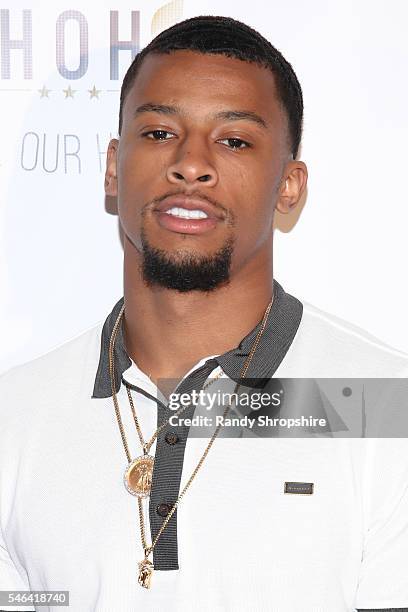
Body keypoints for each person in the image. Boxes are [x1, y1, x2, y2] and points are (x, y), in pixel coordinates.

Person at [1, 14, 408, 612]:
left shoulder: (383, 404)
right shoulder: (14, 415)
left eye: (234, 140)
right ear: (114, 168)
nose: (191, 164)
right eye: (160, 133)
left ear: (289, 186)